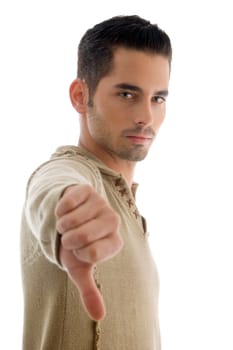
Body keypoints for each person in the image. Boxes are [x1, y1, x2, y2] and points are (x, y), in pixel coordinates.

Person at [20, 15, 172, 350]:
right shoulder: (71, 174)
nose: (146, 116)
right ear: (79, 95)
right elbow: (53, 186)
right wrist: (67, 211)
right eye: (127, 94)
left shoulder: (126, 203)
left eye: (158, 98)